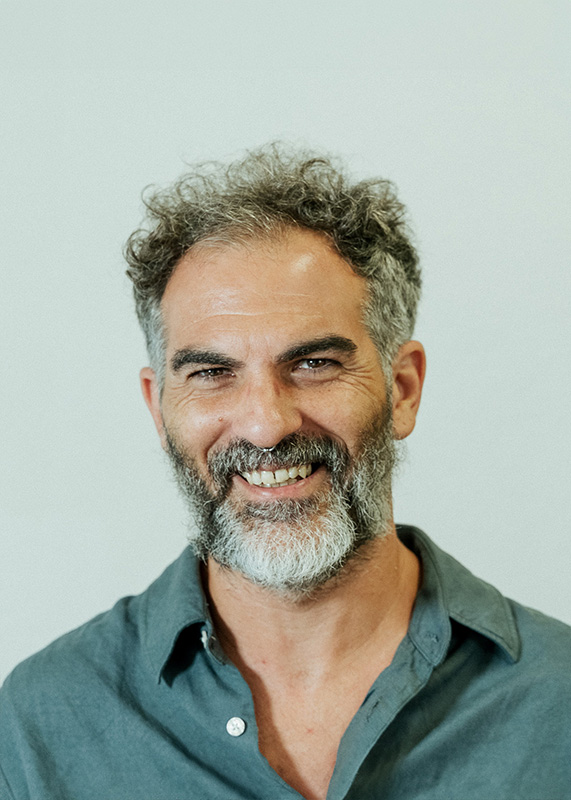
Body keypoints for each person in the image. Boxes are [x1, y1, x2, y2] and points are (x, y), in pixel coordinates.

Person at [0, 145, 569, 800]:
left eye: (314, 364)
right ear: (159, 408)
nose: (265, 425)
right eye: (212, 373)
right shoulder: (44, 723)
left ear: (402, 389)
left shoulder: (557, 702)